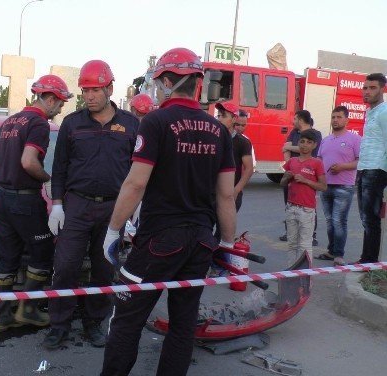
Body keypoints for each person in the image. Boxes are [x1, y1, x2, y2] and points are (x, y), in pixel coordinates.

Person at [100, 48, 236, 376]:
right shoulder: (218, 130)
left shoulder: (157, 121)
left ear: (168, 81)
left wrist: (114, 231)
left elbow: (135, 185)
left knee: (127, 316)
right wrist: (228, 247)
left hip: (159, 241)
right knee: (183, 324)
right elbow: (226, 195)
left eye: (159, 82)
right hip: (201, 242)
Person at [43, 60, 139, 349]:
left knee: (104, 268)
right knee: (65, 267)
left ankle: (95, 322)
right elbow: (59, 168)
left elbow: (139, 171)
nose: (90, 96)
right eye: (85, 90)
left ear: (109, 88)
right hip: (77, 207)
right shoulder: (72, 124)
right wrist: (57, 204)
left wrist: (135, 209)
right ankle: (59, 324)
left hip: (113, 210)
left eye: (96, 89)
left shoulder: (132, 124)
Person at [0, 75, 73, 332]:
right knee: (42, 252)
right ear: (49, 99)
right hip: (25, 200)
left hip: (1, 197)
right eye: (59, 104)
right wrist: (47, 180)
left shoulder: (11, 120)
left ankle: (1, 316)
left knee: (7, 257)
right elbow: (28, 161)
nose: (60, 109)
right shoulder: (38, 123)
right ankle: (28, 309)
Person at [316, 106, 361, 266]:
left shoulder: (354, 139)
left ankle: (339, 255)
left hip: (344, 186)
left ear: (346, 120)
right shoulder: (326, 140)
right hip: (325, 186)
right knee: (329, 221)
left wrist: (342, 167)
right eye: (333, 117)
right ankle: (331, 251)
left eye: (339, 117)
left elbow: (359, 161)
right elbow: (319, 161)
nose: (335, 120)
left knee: (339, 221)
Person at [280, 129, 327, 266]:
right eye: (302, 141)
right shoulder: (292, 161)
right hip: (291, 207)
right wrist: (287, 178)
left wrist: (306, 181)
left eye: (308, 142)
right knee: (292, 244)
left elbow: (323, 186)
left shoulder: (316, 163)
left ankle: (305, 277)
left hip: (307, 210)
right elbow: (282, 183)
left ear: (314, 145)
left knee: (305, 245)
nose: (304, 145)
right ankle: (290, 274)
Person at [355, 73, 387, 264]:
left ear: (383, 89)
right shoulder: (372, 113)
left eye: (372, 88)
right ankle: (366, 259)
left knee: (371, 219)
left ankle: (369, 262)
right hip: (365, 168)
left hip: (376, 169)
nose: (367, 92)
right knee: (365, 218)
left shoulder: (384, 113)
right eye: (365, 88)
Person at [280, 110, 322, 244]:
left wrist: (292, 147)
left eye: (295, 119)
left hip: (308, 174)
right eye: (302, 141)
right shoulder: (294, 132)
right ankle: (290, 231)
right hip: (292, 173)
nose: (293, 121)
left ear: (301, 120)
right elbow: (285, 149)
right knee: (289, 202)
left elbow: (309, 150)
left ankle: (312, 235)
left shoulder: (316, 134)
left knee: (308, 204)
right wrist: (289, 165)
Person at [216, 102, 254, 211]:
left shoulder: (243, 142)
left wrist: (236, 190)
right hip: (212, 193)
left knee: (224, 228)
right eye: (218, 115)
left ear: (233, 119)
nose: (219, 119)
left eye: (223, 116)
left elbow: (249, 169)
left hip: (231, 193)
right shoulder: (212, 138)